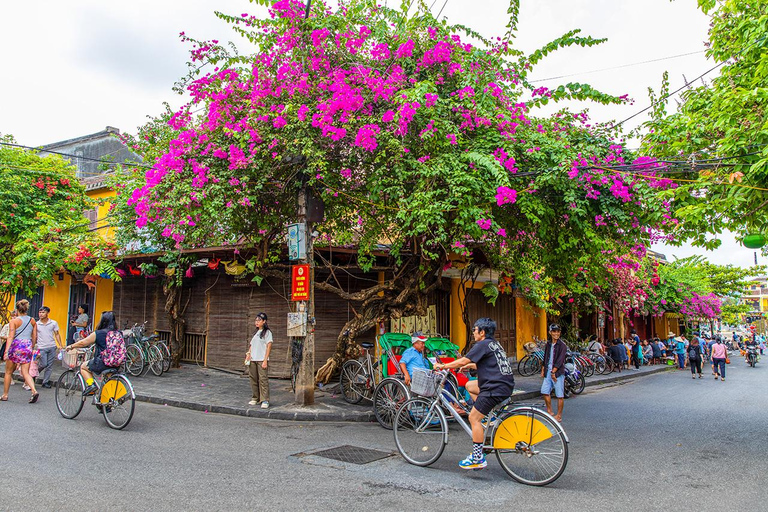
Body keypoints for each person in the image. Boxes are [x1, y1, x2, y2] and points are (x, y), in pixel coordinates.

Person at [433, 318, 514, 470]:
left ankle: (477, 457)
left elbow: (462, 360)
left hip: (493, 388)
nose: (473, 333)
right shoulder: (494, 344)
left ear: (482, 332)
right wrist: (471, 365)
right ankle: (486, 414)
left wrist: (442, 365)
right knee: (470, 385)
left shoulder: (482, 344)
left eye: (475, 330)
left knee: (473, 418)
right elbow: (488, 363)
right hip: (504, 386)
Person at [65, 311, 124, 396]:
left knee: (84, 367)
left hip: (103, 362)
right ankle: (105, 404)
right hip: (116, 362)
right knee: (107, 381)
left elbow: (83, 343)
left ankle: (91, 385)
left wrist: (71, 346)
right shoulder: (118, 333)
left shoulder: (99, 333)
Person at [2, 299, 39, 403]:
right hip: (27, 345)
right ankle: (34, 390)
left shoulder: (14, 321)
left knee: (8, 372)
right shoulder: (32, 320)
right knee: (25, 372)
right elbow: (34, 336)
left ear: (17, 310)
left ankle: (5, 394)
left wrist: (6, 351)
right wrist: (31, 346)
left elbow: (10, 336)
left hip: (16, 345)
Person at [245, 312, 272, 409]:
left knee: (263, 380)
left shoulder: (267, 333)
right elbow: (252, 345)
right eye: (256, 320)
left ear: (264, 321)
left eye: (259, 320)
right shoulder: (256, 333)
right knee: (253, 379)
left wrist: (265, 360)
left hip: (261, 359)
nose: (257, 322)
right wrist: (248, 354)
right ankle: (255, 398)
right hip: (253, 359)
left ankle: (265, 400)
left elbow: (269, 346)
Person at [540, 324, 567, 422]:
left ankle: (559, 415)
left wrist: (553, 372)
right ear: (550, 332)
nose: (556, 333)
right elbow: (545, 357)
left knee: (560, 395)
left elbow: (560, 360)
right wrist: (543, 369)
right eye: (554, 331)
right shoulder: (548, 344)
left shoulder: (562, 345)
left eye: (558, 331)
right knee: (544, 391)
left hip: (558, 373)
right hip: (548, 371)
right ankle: (550, 411)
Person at [36, 306, 63, 388]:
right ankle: (33, 374)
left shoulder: (53, 323)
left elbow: (57, 334)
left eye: (43, 312)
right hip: (41, 347)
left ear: (47, 313)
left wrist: (60, 345)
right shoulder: (36, 324)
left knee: (49, 365)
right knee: (43, 364)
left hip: (52, 346)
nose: (41, 314)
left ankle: (45, 382)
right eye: (40, 312)